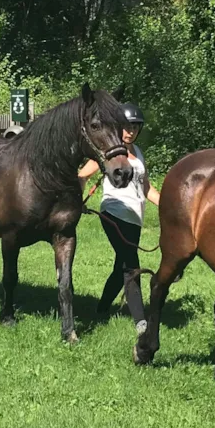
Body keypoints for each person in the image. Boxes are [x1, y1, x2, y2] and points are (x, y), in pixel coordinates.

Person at [78, 102, 160, 336]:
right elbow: (83, 175)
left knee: (120, 267)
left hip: (134, 219)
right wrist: (76, 200)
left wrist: (171, 208)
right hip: (113, 213)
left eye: (135, 126)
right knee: (131, 265)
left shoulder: (139, 153)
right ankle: (141, 323)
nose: (130, 131)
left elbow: (146, 188)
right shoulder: (110, 151)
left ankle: (102, 308)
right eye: (126, 126)